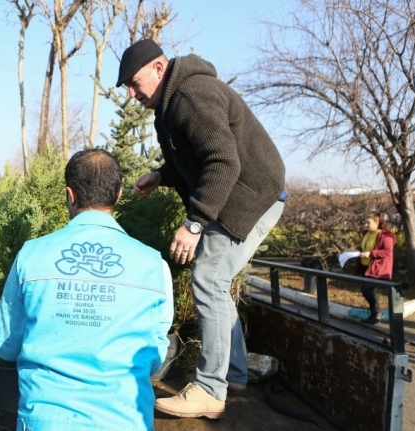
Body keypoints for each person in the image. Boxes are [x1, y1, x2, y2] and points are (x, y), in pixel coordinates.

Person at [116, 39, 286, 419]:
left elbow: (223, 162)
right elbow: (194, 157)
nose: (131, 93)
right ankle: (234, 374)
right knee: (216, 281)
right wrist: (161, 175)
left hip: (252, 195)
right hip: (239, 193)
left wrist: (194, 223)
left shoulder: (191, 95)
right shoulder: (169, 105)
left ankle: (211, 388)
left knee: (208, 277)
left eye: (133, 82)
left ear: (159, 69)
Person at [0, 149, 174, 431]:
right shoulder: (154, 265)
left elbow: (6, 345)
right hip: (125, 421)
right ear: (119, 194)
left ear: (70, 194)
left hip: (44, 422)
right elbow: (155, 357)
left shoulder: (31, 255)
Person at [355, 212, 396, 324]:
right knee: (367, 290)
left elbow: (387, 251)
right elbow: (364, 247)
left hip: (378, 268)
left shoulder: (386, 235)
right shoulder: (367, 234)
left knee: (367, 289)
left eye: (368, 222)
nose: (366, 224)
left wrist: (371, 253)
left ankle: (377, 313)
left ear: (377, 222)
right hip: (366, 266)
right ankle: (374, 314)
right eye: (365, 222)